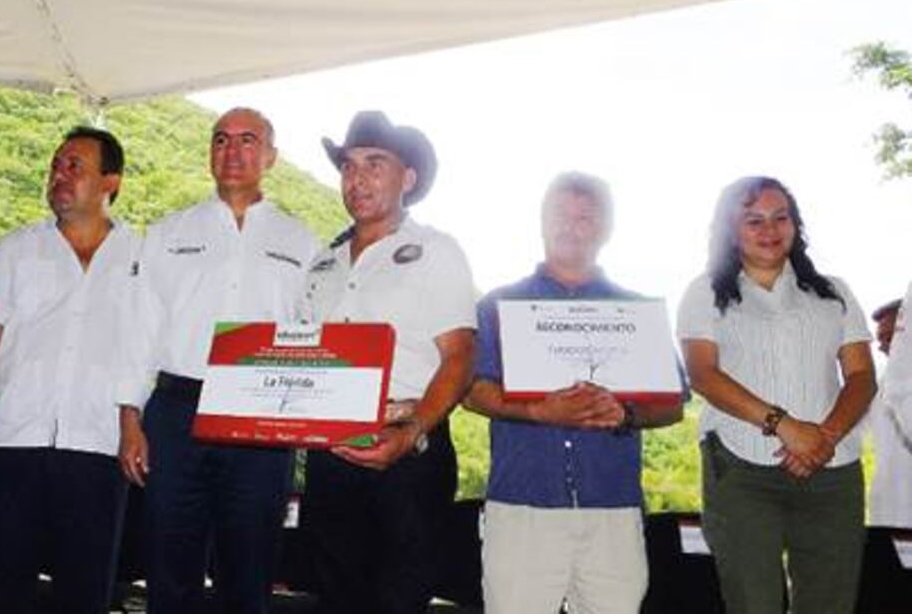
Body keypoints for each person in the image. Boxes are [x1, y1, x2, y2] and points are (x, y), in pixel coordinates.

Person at [0, 126, 141, 614]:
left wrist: (134, 424)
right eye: (56, 165)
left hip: (98, 450)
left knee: (84, 595)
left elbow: (144, 350)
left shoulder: (144, 255)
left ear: (112, 182)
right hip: (12, 446)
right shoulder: (16, 249)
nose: (59, 176)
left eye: (75, 166)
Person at [118, 107, 319, 614]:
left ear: (270, 156)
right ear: (209, 152)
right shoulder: (167, 232)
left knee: (248, 572)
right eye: (221, 139)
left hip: (262, 420)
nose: (233, 151)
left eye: (248, 140)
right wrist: (130, 419)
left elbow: (313, 337)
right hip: (177, 411)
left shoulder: (303, 242)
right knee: (169, 567)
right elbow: (140, 331)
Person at [463, 172, 684, 614]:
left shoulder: (637, 311)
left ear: (606, 229)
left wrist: (625, 414)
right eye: (560, 214)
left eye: (585, 217)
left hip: (612, 504)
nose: (571, 225)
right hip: (522, 502)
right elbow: (472, 392)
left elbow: (673, 404)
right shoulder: (496, 307)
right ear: (542, 221)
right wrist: (539, 411)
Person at [298, 110, 476, 614]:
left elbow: (460, 357)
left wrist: (413, 430)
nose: (357, 179)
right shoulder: (322, 261)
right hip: (330, 457)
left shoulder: (437, 252)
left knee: (400, 601)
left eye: (375, 164)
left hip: (409, 454)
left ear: (408, 178)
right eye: (349, 166)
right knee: (335, 599)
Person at [677, 176, 875, 613]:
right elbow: (704, 375)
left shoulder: (834, 292)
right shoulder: (705, 292)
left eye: (780, 217)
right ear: (730, 230)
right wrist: (784, 427)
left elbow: (861, 377)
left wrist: (822, 438)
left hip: (832, 469)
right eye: (753, 220)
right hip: (741, 471)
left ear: (795, 224)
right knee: (755, 605)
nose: (770, 229)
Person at [869, 298, 912, 528]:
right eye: (880, 340)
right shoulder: (882, 387)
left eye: (890, 337)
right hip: (889, 513)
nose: (883, 346)